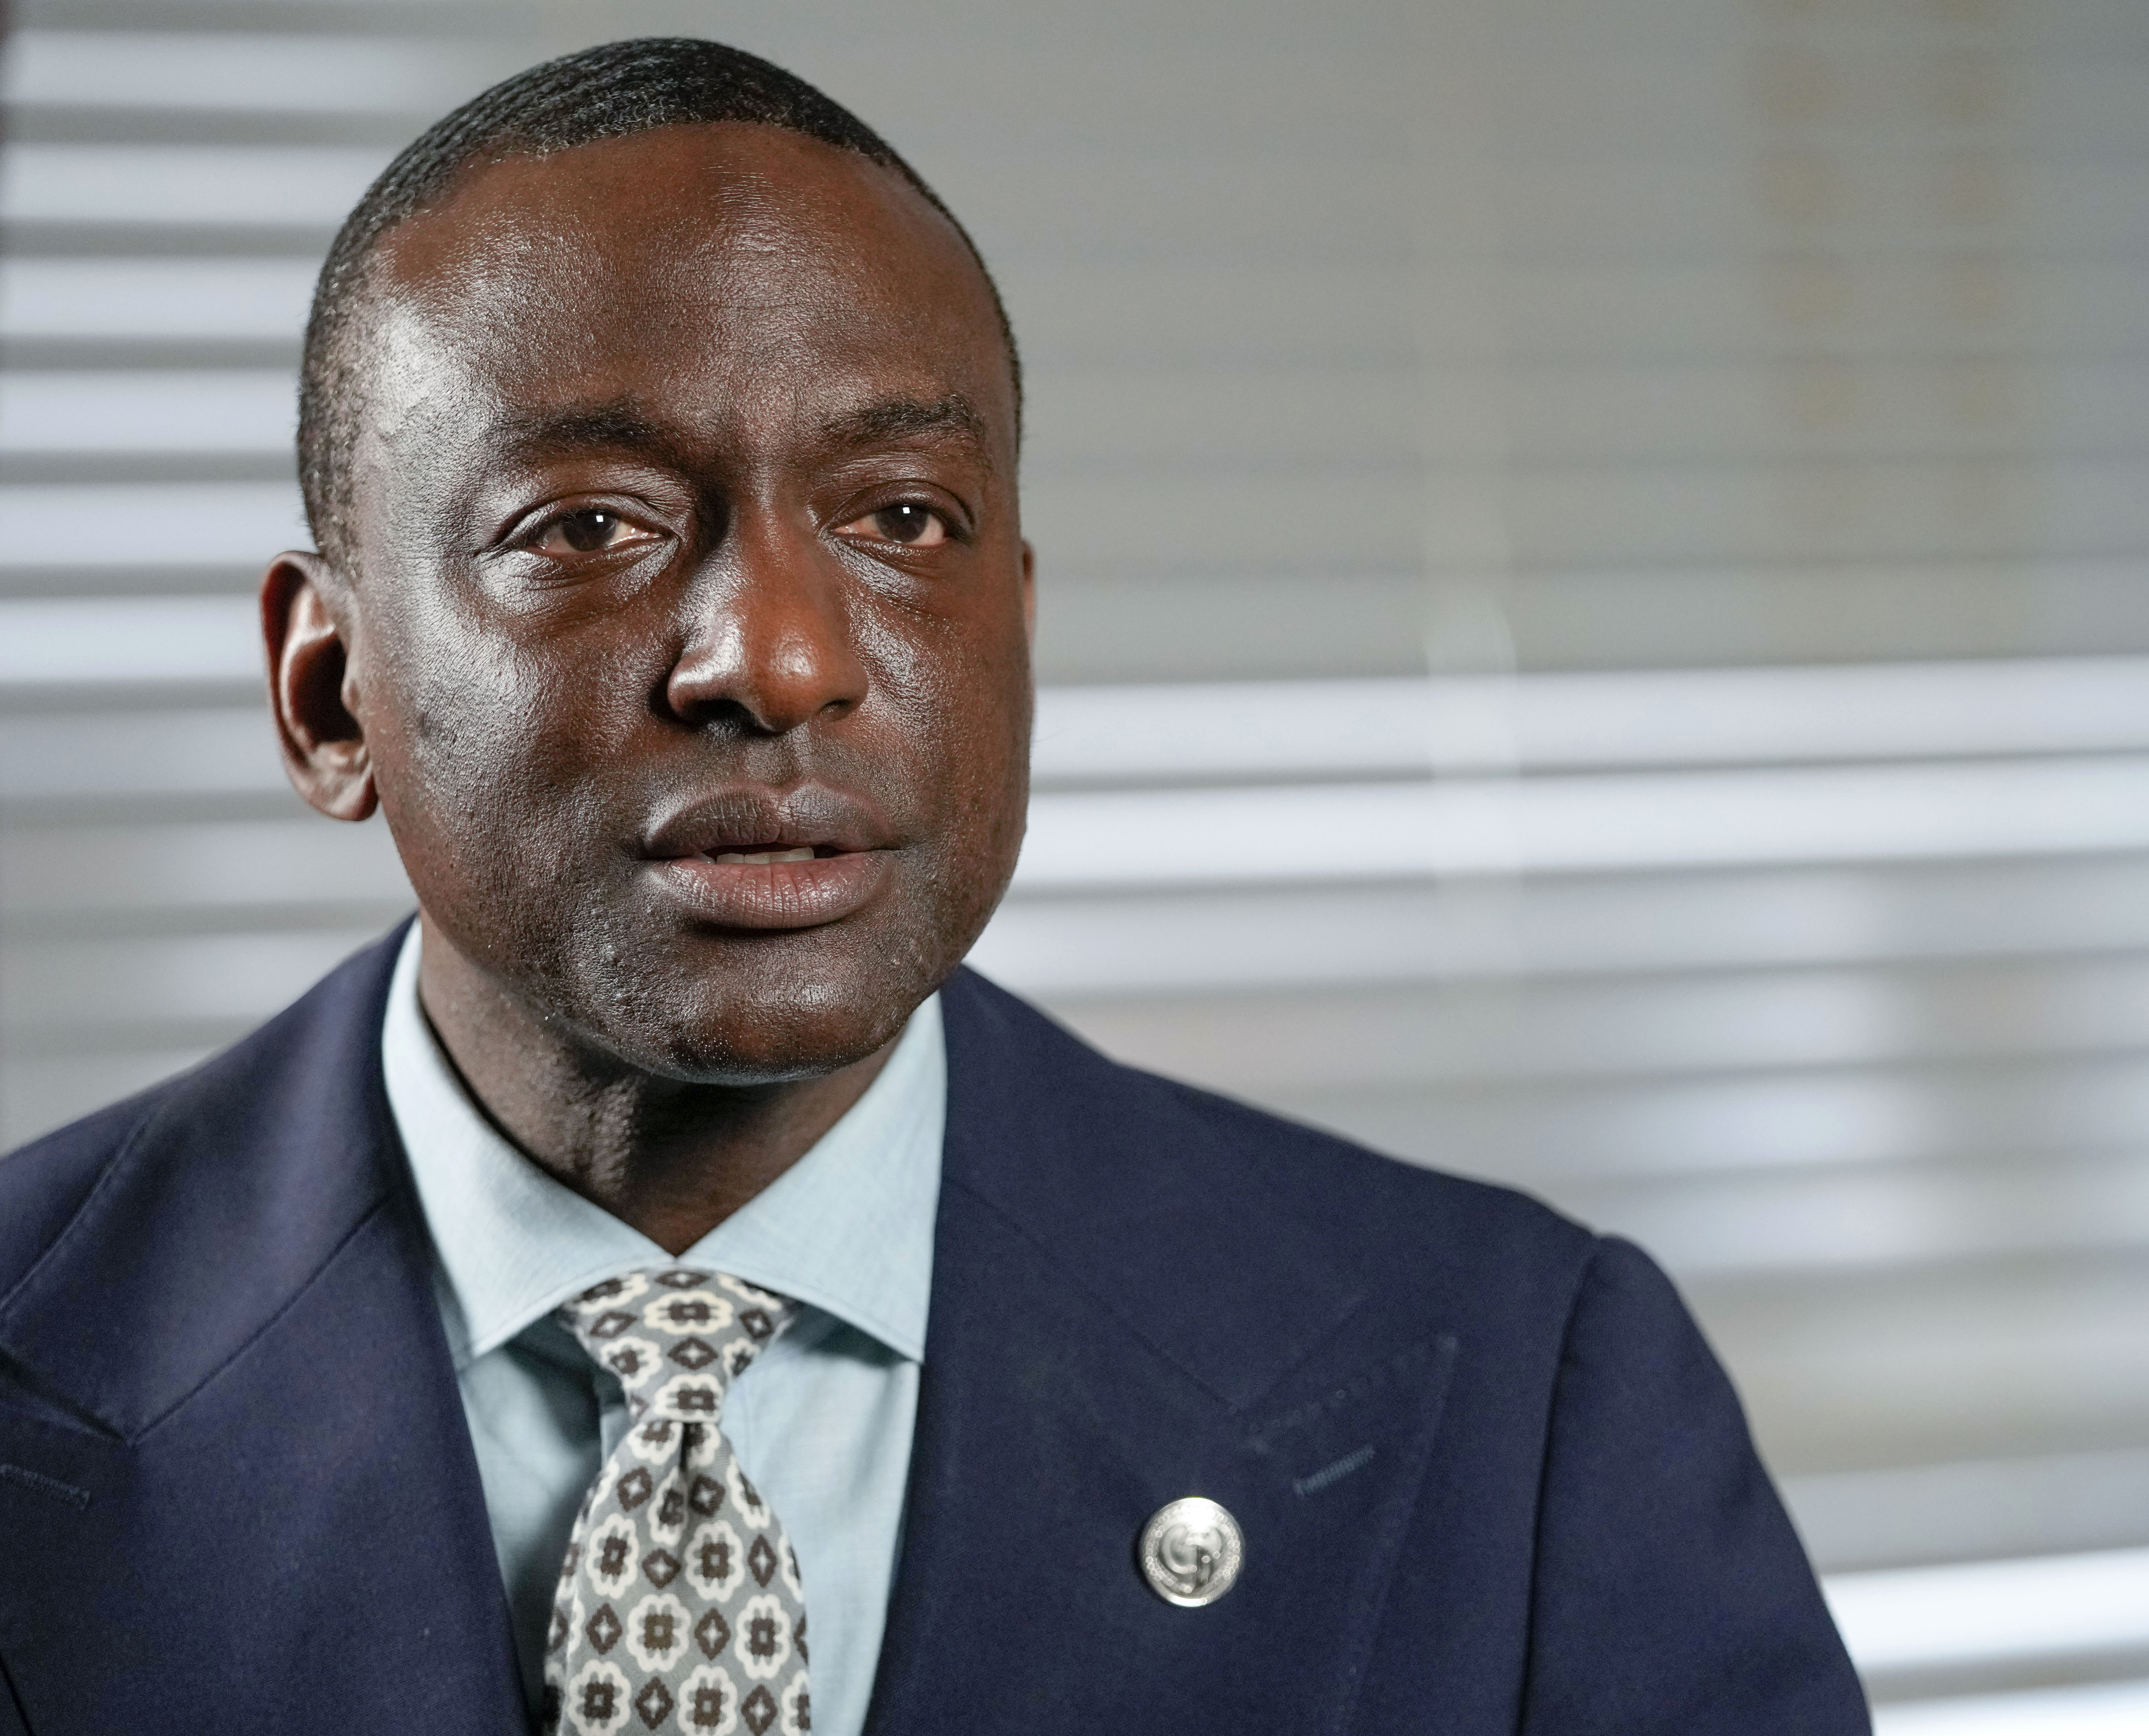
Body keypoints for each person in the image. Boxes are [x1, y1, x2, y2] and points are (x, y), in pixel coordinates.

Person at [0, 38, 1865, 1736]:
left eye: (902, 521)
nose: (783, 658)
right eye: (591, 527)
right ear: (330, 694)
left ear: (1018, 637)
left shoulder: (1526, 1406)